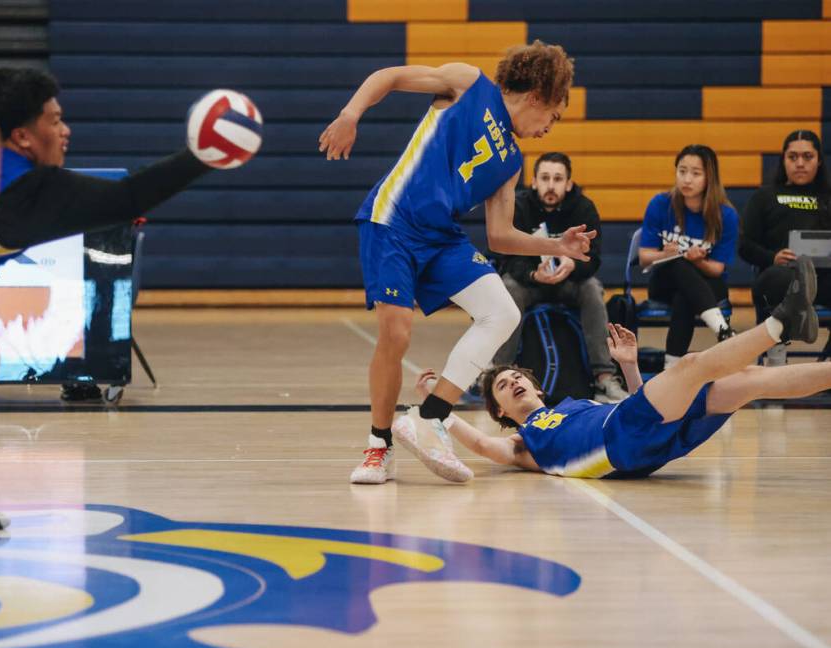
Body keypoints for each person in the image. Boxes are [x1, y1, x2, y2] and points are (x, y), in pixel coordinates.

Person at [0, 67, 240, 529]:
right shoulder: (23, 192)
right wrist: (205, 156)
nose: (65, 130)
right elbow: (128, 198)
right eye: (54, 120)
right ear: (22, 137)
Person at [319, 41, 596, 485]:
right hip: (393, 220)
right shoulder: (468, 83)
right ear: (537, 97)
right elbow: (387, 77)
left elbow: (500, 235)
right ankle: (379, 446)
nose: (549, 128)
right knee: (396, 331)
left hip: (440, 237)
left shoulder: (511, 161)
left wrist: (557, 247)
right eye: (553, 116)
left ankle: (430, 417)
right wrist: (350, 114)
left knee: (503, 310)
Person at [395, 257, 822, 481]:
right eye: (504, 387)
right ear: (500, 411)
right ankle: (782, 324)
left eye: (516, 377)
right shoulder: (524, 445)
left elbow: (646, 406)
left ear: (535, 384)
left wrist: (631, 368)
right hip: (622, 445)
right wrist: (440, 407)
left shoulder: (577, 403)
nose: (513, 382)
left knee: (747, 382)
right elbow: (486, 448)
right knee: (692, 365)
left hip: (644, 440)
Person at [491, 151, 626, 403]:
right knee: (508, 287)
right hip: (531, 283)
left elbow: (594, 259)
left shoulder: (583, 208)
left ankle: (604, 378)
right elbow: (507, 258)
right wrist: (533, 274)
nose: (550, 185)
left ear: (568, 184)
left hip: (569, 282)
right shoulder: (520, 207)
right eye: (544, 178)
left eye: (557, 178)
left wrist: (572, 265)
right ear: (534, 182)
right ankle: (500, 372)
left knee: (592, 289)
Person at [639, 144, 740, 368]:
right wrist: (664, 253)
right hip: (664, 282)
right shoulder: (660, 204)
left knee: (685, 297)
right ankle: (722, 330)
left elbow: (717, 269)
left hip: (708, 284)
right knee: (677, 265)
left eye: (696, 173)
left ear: (709, 177)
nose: (687, 179)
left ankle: (671, 367)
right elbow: (644, 256)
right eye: (682, 171)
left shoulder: (726, 215)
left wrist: (698, 261)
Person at [739, 129, 831, 366]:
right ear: (784, 160)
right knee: (777, 280)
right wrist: (773, 257)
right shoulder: (764, 197)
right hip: (781, 278)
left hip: (825, 277)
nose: (800, 163)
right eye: (793, 157)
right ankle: (776, 360)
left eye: (808, 157)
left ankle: (826, 370)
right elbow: (744, 245)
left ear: (819, 160)